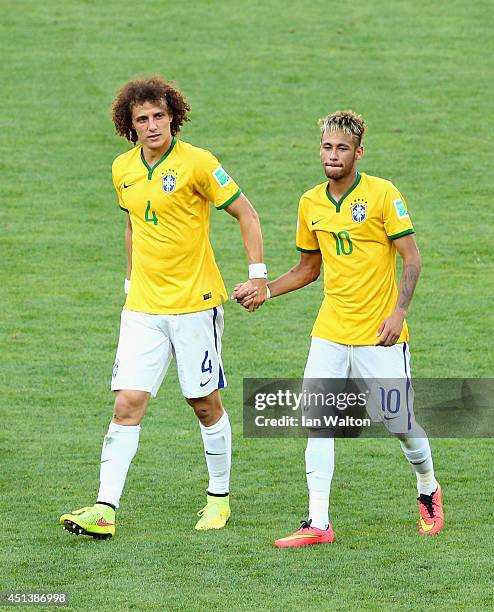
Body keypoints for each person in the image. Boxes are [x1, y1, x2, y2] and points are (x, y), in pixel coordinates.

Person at [60, 76, 267, 539]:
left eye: (158, 116)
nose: (152, 126)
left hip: (195, 306)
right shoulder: (122, 169)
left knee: (203, 402)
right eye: (142, 120)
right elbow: (134, 224)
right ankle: (104, 508)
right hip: (143, 309)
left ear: (173, 115)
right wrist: (130, 281)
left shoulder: (199, 164)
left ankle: (219, 499)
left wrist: (258, 276)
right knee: (127, 402)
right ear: (128, 127)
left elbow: (246, 213)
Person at [234, 110, 444, 547]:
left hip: (378, 333)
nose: (332, 155)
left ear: (358, 153)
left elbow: (413, 258)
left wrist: (399, 313)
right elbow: (308, 268)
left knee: (399, 421)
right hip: (330, 329)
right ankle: (318, 522)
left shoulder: (383, 194)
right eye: (327, 147)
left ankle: (427, 486)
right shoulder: (310, 202)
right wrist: (265, 291)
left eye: (342, 148)